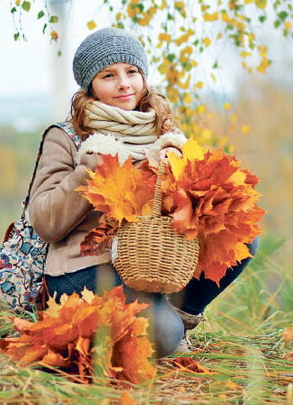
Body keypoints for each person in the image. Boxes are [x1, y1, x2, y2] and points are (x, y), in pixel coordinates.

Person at [28, 27, 258, 358]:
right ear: (90, 85)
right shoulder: (67, 136)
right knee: (163, 336)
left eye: (132, 72)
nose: (124, 83)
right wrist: (88, 171)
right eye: (108, 75)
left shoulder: (164, 131)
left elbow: (187, 210)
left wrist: (182, 176)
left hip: (152, 260)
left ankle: (178, 317)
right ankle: (164, 326)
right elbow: (45, 222)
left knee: (241, 237)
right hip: (83, 269)